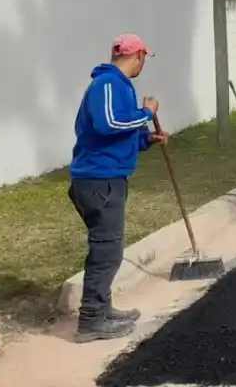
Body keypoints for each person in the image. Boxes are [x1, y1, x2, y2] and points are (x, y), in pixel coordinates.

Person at [68, 33, 167, 342]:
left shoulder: (118, 85)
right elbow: (108, 123)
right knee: (107, 251)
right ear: (136, 55)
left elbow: (116, 134)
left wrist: (144, 139)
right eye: (143, 58)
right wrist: (146, 113)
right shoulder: (107, 84)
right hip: (99, 181)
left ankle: (103, 309)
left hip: (107, 177)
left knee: (109, 248)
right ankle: (91, 321)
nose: (142, 64)